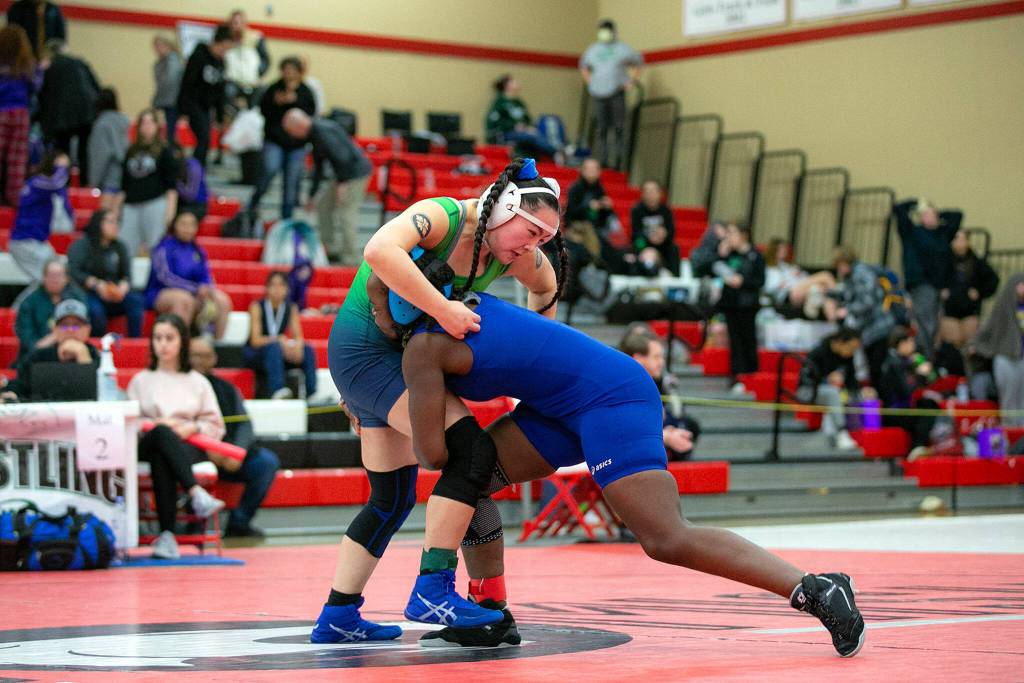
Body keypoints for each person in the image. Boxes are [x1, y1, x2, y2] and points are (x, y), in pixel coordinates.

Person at [397, 291, 865, 657]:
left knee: (665, 538)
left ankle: (815, 588)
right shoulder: (446, 314)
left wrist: (385, 409)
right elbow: (540, 276)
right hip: (556, 404)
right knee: (470, 480)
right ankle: (490, 614)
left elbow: (431, 454)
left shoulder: (423, 343)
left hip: (610, 395)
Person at [310, 157, 567, 643]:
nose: (531, 248)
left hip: (400, 365)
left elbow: (548, 285)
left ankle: (338, 616)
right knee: (472, 452)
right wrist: (444, 309)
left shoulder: (511, 252)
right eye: (529, 232)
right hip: (366, 354)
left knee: (392, 498)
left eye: (542, 241)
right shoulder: (445, 217)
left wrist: (539, 360)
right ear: (505, 207)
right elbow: (378, 249)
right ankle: (434, 586)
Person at [127, 313, 227, 559]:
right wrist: (157, 424)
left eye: (169, 338)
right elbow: (130, 422)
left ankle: (167, 537)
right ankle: (195, 493)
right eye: (157, 338)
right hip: (148, 441)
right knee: (162, 435)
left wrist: (191, 428)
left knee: (165, 456)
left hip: (187, 445)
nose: (162, 343)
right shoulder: (141, 380)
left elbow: (215, 424)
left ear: (181, 341)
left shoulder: (197, 381)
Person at [189, 336, 280, 538]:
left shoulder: (227, 389)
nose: (198, 361)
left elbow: (244, 424)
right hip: (197, 453)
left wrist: (237, 452)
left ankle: (239, 523)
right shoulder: (181, 388)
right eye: (193, 355)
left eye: (204, 356)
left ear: (214, 359)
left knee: (266, 462)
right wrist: (209, 450)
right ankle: (191, 524)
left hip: (229, 455)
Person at [283, 107, 371, 266]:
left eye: (291, 131)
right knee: (323, 204)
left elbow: (342, 156)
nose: (291, 136)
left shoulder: (322, 131)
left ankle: (351, 258)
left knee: (346, 213)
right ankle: (330, 248)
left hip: (355, 173)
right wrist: (312, 195)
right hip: (343, 174)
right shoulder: (314, 134)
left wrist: (343, 183)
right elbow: (319, 167)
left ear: (298, 126)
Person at [247, 56, 315, 224]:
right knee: (270, 169)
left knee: (291, 181)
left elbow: (310, 115)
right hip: (274, 140)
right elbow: (262, 110)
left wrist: (295, 101)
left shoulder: (305, 92)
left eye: (293, 70)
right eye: (286, 70)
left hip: (297, 144)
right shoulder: (274, 89)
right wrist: (277, 103)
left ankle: (286, 219)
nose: (289, 74)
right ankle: (253, 203)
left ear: (299, 72)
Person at [144, 211, 232, 338]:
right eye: (183, 224)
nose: (188, 228)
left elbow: (206, 276)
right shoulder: (163, 247)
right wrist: (196, 289)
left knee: (223, 300)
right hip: (160, 292)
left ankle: (216, 348)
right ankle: (181, 349)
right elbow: (165, 277)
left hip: (193, 294)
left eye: (192, 225)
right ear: (175, 225)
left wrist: (208, 288)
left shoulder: (198, 250)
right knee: (184, 300)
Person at [893, 197, 962, 359]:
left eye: (933, 215)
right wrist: (917, 203)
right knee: (925, 323)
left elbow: (957, 216)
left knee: (934, 324)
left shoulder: (942, 234)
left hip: (938, 285)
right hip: (921, 283)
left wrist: (937, 212)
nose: (930, 218)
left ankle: (928, 357)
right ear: (920, 216)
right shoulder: (912, 232)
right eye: (926, 215)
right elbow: (899, 209)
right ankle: (923, 357)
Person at [620, 329, 700, 459]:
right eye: (656, 357)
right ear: (639, 359)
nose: (661, 362)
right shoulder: (623, 387)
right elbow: (626, 429)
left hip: (656, 440)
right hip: (628, 456)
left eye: (662, 357)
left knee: (689, 425)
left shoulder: (658, 382)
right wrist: (666, 436)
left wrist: (669, 430)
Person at [67, 209, 144, 337]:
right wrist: (95, 284)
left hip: (114, 293)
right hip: (89, 293)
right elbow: (74, 272)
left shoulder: (120, 247)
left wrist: (124, 285)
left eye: (117, 222)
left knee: (136, 301)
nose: (115, 226)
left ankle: (134, 342)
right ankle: (97, 347)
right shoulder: (82, 245)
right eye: (111, 222)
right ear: (98, 223)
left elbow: (127, 275)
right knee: (95, 312)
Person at [1, 298, 96, 403]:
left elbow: (101, 394)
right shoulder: (38, 357)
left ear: (88, 329)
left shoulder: (97, 356)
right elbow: (19, 386)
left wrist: (83, 357)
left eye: (76, 326)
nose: (70, 330)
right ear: (55, 329)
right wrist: (10, 393)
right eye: (64, 325)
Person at [829, 245, 895, 389]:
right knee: (871, 368)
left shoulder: (862, 274)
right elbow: (848, 295)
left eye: (840, 265)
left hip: (878, 327)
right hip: (868, 329)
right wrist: (829, 293)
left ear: (846, 261)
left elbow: (868, 301)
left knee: (876, 369)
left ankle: (881, 405)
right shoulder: (851, 276)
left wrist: (847, 310)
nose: (839, 269)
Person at [579, 19, 642, 171]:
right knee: (601, 128)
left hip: (616, 93)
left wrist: (631, 81)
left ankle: (618, 162)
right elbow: (583, 66)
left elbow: (637, 63)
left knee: (619, 128)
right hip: (599, 94)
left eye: (607, 30)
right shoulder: (593, 49)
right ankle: (603, 161)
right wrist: (591, 81)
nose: (604, 34)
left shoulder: (623, 49)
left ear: (614, 32)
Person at [244, 270, 317, 399]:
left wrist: (298, 346)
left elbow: (298, 336)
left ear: (287, 289)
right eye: (273, 285)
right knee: (274, 348)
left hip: (277, 352)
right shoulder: (257, 306)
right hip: (257, 354)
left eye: (281, 285)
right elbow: (255, 340)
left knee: (307, 349)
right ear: (267, 288)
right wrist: (277, 340)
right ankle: (278, 390)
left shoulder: (291, 307)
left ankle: (312, 393)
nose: (277, 289)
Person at [796, 328, 870, 452]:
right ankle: (841, 432)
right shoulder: (818, 352)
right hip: (808, 391)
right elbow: (805, 379)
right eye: (851, 348)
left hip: (832, 394)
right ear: (840, 342)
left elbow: (851, 381)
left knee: (849, 395)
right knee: (832, 393)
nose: (852, 353)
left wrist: (863, 390)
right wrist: (826, 379)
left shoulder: (847, 357)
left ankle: (852, 433)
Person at [118, 108, 179, 257]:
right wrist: (117, 209)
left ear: (157, 126)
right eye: (143, 122)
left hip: (154, 202)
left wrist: (170, 213)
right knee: (125, 246)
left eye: (150, 122)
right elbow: (124, 184)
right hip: (131, 204)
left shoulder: (165, 151)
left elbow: (171, 186)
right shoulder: (131, 150)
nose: (147, 126)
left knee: (155, 246)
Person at [712, 221, 764, 392]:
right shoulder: (728, 254)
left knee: (748, 339)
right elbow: (712, 268)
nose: (729, 237)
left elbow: (759, 281)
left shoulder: (755, 256)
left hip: (747, 305)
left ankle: (751, 375)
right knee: (734, 341)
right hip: (730, 304)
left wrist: (743, 282)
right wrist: (721, 255)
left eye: (733, 233)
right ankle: (736, 375)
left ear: (744, 235)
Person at [36, 38, 98, 183]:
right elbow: (96, 87)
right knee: (84, 152)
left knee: (63, 152)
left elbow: (41, 95)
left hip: (60, 118)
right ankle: (85, 183)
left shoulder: (49, 67)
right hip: (85, 114)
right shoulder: (79, 62)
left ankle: (64, 182)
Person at [8, 150, 71, 285]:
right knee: (51, 282)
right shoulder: (39, 183)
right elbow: (57, 183)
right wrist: (61, 166)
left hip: (33, 241)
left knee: (54, 278)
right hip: (26, 242)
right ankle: (23, 306)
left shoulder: (38, 183)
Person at [971, 273, 1024, 428]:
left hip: (1022, 359)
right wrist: (980, 348)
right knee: (1008, 398)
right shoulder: (1004, 308)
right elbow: (986, 332)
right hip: (1006, 358)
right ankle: (1010, 429)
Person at [177, 24, 233, 167]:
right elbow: (187, 83)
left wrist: (220, 116)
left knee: (205, 140)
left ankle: (197, 171)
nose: (225, 52)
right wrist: (182, 110)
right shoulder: (199, 56)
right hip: (193, 103)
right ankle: (195, 172)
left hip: (207, 107)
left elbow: (220, 91)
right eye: (224, 48)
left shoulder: (221, 62)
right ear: (216, 43)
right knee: (203, 139)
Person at [12, 257, 85, 365]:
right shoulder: (29, 303)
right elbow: (28, 341)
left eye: (59, 275)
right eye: (51, 275)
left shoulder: (77, 298)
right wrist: (56, 335)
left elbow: (85, 329)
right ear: (44, 278)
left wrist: (63, 336)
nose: (55, 280)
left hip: (72, 355)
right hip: (36, 360)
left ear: (66, 278)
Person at [877, 326, 940, 451]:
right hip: (894, 412)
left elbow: (933, 379)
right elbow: (906, 390)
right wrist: (920, 375)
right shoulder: (893, 363)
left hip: (905, 407)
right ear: (901, 343)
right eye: (910, 342)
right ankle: (917, 447)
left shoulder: (906, 361)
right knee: (926, 411)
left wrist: (924, 371)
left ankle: (920, 446)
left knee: (929, 404)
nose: (913, 345)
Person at [0, 25, 40, 207]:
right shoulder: (26, 63)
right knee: (17, 159)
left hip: (2, 110)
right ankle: (15, 197)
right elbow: (35, 86)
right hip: (20, 113)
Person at [939, 229, 999, 349]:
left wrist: (980, 293)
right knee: (952, 344)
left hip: (970, 310)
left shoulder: (977, 262)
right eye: (957, 239)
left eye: (963, 239)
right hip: (949, 310)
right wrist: (941, 291)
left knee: (970, 345)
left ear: (968, 242)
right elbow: (934, 278)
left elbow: (993, 280)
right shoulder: (944, 260)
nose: (960, 243)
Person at [564, 157, 623, 272]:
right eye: (588, 169)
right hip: (578, 228)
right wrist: (587, 207)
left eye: (594, 169)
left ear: (599, 172)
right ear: (582, 170)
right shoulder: (575, 188)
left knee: (613, 246)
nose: (591, 172)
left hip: (598, 229)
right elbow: (570, 213)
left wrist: (607, 208)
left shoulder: (599, 189)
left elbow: (603, 218)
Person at [484, 74, 556, 160]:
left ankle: (553, 155)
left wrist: (528, 127)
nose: (517, 83)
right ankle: (556, 153)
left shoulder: (518, 102)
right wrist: (514, 126)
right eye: (514, 81)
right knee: (531, 137)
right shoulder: (499, 102)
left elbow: (527, 119)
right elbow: (494, 122)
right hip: (507, 133)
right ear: (507, 85)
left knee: (536, 132)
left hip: (522, 132)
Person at [763, 238, 836, 319]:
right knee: (826, 275)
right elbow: (769, 288)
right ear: (773, 250)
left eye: (784, 248)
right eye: (781, 248)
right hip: (787, 294)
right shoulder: (769, 269)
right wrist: (790, 277)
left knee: (826, 295)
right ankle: (836, 296)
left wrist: (798, 274)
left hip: (799, 288)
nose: (784, 251)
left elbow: (805, 278)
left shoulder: (787, 266)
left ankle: (832, 321)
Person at [86, 87, 129, 203]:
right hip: (126, 177)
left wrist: (93, 182)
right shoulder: (125, 120)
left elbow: (100, 156)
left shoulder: (101, 124)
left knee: (106, 217)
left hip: (109, 181)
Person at [629, 179, 679, 276]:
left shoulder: (666, 210)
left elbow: (671, 231)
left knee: (674, 249)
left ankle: (674, 279)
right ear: (642, 195)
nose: (650, 195)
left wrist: (665, 234)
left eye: (653, 191)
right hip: (644, 244)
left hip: (662, 245)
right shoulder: (637, 210)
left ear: (660, 194)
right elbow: (635, 234)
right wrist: (648, 238)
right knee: (637, 246)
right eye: (647, 192)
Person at [223, 9, 268, 112]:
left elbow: (265, 60)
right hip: (232, 81)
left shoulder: (256, 38)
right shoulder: (225, 39)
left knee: (263, 91)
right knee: (227, 91)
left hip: (253, 81)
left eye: (240, 23)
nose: (237, 26)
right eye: (234, 23)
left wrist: (259, 73)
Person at [151, 35, 182, 144]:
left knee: (171, 127)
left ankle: (171, 148)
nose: (157, 49)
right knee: (167, 125)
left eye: (159, 46)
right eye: (155, 47)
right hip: (164, 98)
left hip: (172, 99)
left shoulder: (173, 60)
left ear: (167, 45)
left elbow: (170, 80)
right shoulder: (160, 62)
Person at [173, 144, 208, 220]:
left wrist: (174, 182)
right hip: (177, 203)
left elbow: (190, 194)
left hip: (196, 204)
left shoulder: (193, 165)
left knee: (184, 217)